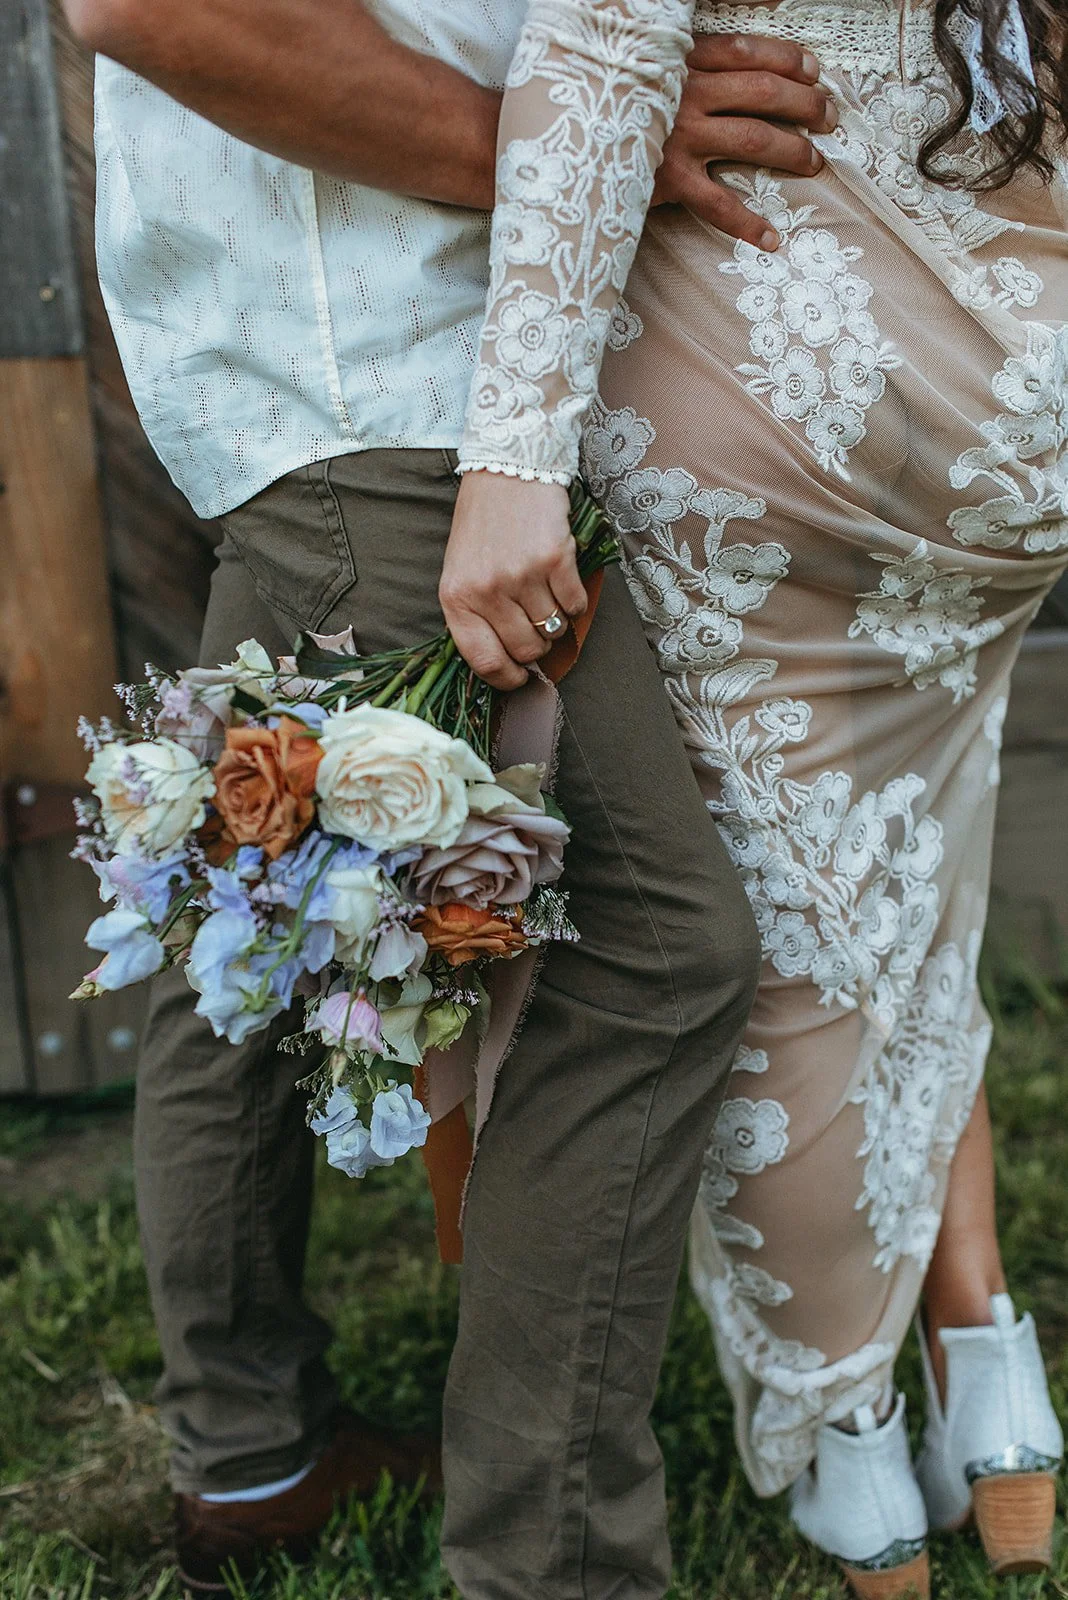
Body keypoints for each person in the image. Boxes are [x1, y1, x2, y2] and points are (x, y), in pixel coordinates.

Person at [64, 0, 839, 1591]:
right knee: (648, 958)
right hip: (389, 386)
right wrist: (573, 156)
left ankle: (253, 1454)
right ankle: (551, 1565)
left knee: (251, 909)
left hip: (336, 375)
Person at [442, 0, 1066, 1597]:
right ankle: (991, 1366)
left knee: (796, 943)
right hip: (1012, 375)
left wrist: (513, 456)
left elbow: (602, 43)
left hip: (785, 374)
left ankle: (851, 1427)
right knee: (913, 882)